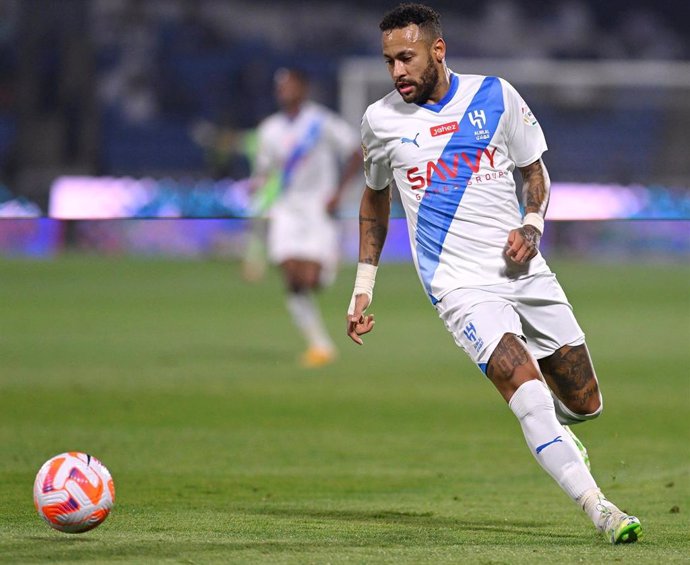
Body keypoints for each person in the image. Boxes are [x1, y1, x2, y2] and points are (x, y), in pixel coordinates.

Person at [346, 3, 642, 544]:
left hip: (523, 272)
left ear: (438, 50)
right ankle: (601, 509)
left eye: (406, 58)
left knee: (585, 403)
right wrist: (363, 288)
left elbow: (534, 172)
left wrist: (531, 226)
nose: (397, 72)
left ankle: (557, 431)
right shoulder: (380, 121)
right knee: (523, 390)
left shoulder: (495, 96)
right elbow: (374, 198)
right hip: (457, 286)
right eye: (389, 61)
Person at [252, 67, 362, 367]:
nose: (283, 91)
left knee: (310, 279)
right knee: (291, 274)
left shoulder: (321, 122)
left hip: (319, 209)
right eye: (280, 87)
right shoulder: (269, 130)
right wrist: (258, 187)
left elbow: (356, 152)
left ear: (303, 88)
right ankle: (320, 345)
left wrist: (339, 193)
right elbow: (264, 173)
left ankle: (327, 263)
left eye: (288, 85)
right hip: (286, 209)